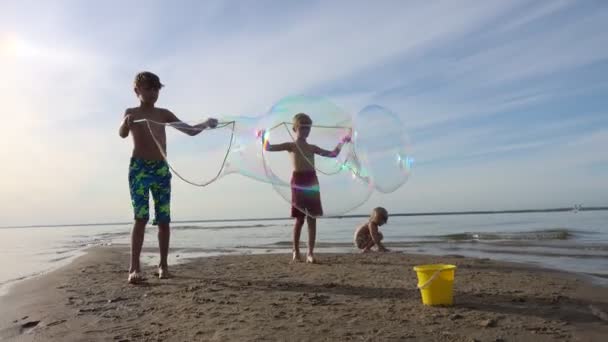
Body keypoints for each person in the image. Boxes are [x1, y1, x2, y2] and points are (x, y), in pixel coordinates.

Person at [118, 71, 218, 284]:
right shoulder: (132, 112)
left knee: (164, 219)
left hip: (161, 169)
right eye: (148, 88)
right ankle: (134, 267)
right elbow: (122, 133)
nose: (153, 92)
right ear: (137, 91)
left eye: (156, 89)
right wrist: (126, 123)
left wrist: (206, 123)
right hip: (139, 169)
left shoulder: (163, 114)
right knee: (141, 217)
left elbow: (189, 131)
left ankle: (163, 265)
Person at [262, 113, 350, 263]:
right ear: (295, 128)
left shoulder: (312, 147)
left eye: (308, 128)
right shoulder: (291, 146)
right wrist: (263, 136)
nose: (306, 130)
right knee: (299, 219)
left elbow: (333, 154)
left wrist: (342, 142)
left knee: (312, 218)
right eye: (302, 127)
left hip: (311, 180)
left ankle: (310, 253)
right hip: (298, 181)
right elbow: (268, 147)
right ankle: (296, 252)